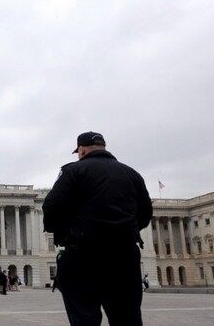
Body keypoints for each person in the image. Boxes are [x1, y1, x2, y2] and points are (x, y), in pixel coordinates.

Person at [43, 131, 153, 326]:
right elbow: (145, 213)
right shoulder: (132, 174)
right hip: (124, 255)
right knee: (127, 318)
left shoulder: (73, 171)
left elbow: (51, 207)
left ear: (82, 150)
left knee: (84, 318)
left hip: (83, 253)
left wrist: (62, 233)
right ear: (104, 148)